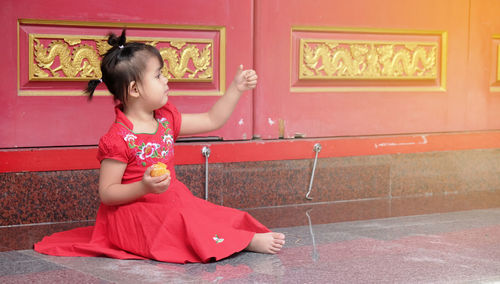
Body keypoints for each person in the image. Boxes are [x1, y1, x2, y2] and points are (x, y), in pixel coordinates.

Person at [34, 30, 285, 264]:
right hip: (134, 214)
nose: (166, 79)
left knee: (208, 214)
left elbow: (212, 120)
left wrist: (236, 89)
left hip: (171, 200)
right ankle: (245, 242)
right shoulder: (119, 138)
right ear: (134, 89)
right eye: (157, 75)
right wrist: (143, 186)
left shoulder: (165, 119)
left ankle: (239, 235)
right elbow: (107, 193)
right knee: (182, 220)